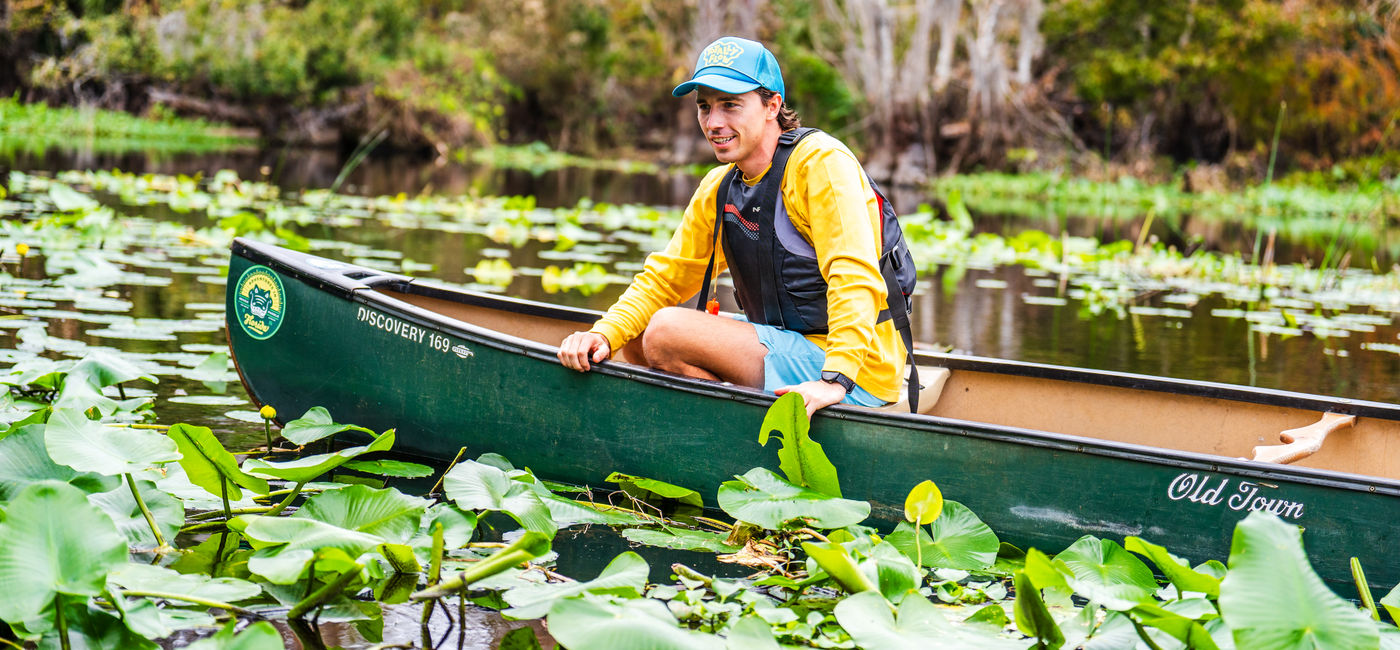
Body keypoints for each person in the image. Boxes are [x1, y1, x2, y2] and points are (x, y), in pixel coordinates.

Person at [557, 36, 914, 417]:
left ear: (771, 105)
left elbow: (853, 274)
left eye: (730, 105)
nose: (714, 123)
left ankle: (728, 425)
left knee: (664, 331)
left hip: (856, 369)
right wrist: (603, 333)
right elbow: (666, 279)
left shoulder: (820, 163)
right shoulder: (720, 185)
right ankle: (729, 426)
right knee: (638, 337)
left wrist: (834, 379)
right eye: (705, 107)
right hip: (792, 344)